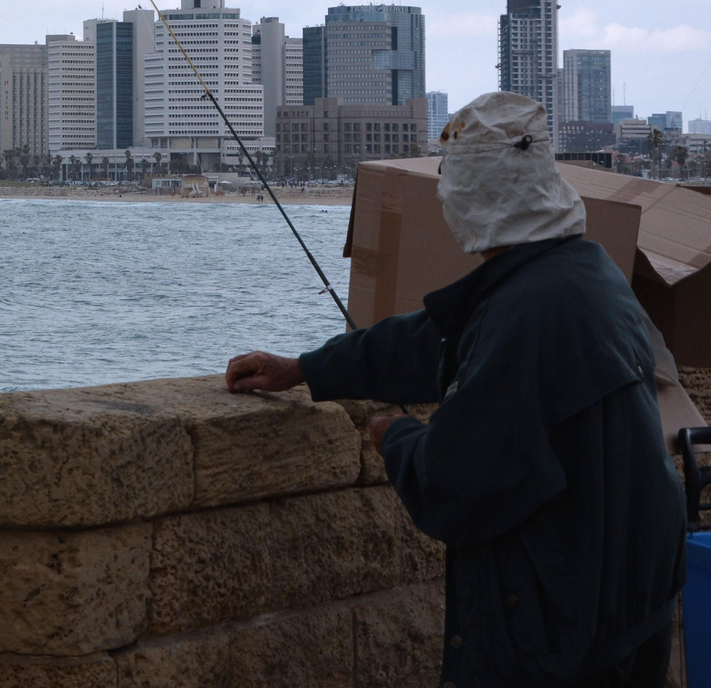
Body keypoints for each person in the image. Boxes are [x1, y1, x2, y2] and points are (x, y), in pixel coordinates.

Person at [226, 92, 684, 688]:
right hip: (630, 599)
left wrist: (398, 438)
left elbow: (455, 483)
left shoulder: (527, 314)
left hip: (566, 630)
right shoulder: (584, 271)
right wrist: (308, 368)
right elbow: (435, 338)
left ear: (468, 196)